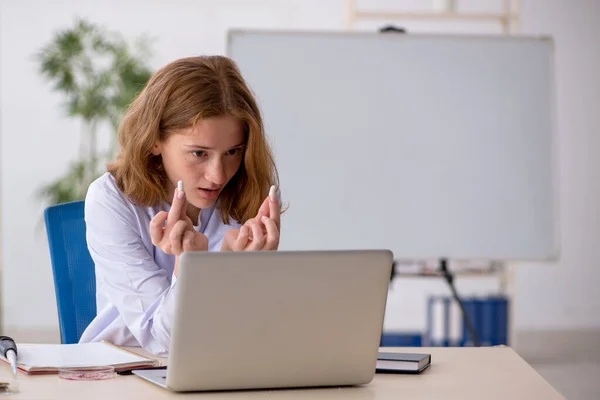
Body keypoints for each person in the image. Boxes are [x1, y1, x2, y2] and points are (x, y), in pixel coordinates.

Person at [78, 55, 281, 356]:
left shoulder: (246, 193)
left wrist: (235, 269)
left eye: (233, 152)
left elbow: (246, 335)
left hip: (215, 368)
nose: (218, 175)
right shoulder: (111, 200)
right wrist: (191, 270)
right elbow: (163, 341)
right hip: (121, 369)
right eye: (199, 153)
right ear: (155, 140)